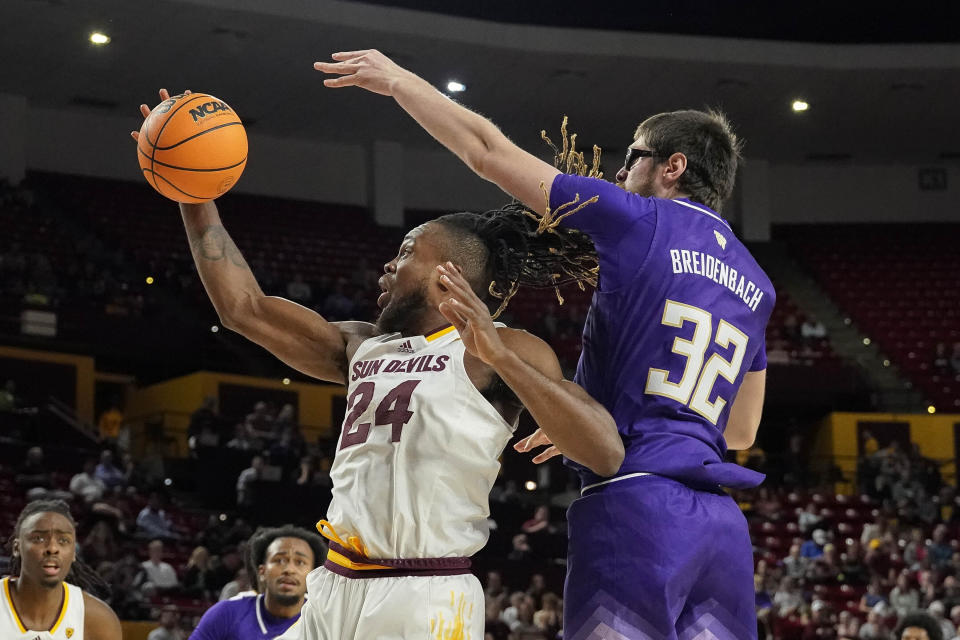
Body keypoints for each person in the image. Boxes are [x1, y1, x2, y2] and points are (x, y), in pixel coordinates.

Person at [315, 50, 773, 639]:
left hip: (637, 503)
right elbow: (740, 432)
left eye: (632, 157)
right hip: (720, 524)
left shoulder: (639, 219)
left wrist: (400, 81)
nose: (619, 173)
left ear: (672, 166)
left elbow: (486, 151)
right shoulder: (757, 282)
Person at [132, 89, 621, 640]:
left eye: (409, 250)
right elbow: (244, 309)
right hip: (334, 581)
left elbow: (604, 452)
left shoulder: (503, 349)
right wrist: (191, 192)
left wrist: (501, 354)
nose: (390, 262)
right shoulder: (362, 345)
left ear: (449, 274)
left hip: (423, 592)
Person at [1, 499, 122, 639]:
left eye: (63, 540)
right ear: (17, 548)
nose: (52, 548)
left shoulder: (98, 619)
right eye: (39, 538)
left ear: (73, 553)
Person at [190, 526, 325, 640]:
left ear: (313, 575)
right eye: (279, 560)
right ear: (261, 572)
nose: (289, 570)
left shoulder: (327, 622)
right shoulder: (226, 613)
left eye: (300, 562)